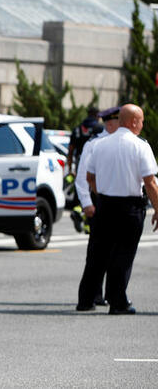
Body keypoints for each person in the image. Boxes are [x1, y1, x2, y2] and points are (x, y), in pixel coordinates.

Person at [85, 104, 158, 315]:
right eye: (142, 120)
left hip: (105, 204)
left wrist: (103, 193)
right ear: (134, 122)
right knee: (124, 255)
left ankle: (91, 298)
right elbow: (150, 182)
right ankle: (118, 301)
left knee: (101, 252)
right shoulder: (140, 146)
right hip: (129, 207)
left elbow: (90, 177)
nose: (143, 124)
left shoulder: (100, 144)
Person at [74, 106, 119, 311]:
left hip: (117, 202)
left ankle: (109, 294)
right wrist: (86, 203)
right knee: (97, 251)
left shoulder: (121, 142)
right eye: (119, 122)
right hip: (98, 202)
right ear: (110, 123)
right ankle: (95, 293)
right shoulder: (94, 144)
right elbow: (82, 177)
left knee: (114, 252)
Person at [67, 106, 102, 175]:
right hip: (95, 163)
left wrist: (70, 169)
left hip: (80, 163)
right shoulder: (100, 129)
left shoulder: (77, 129)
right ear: (97, 115)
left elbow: (70, 150)